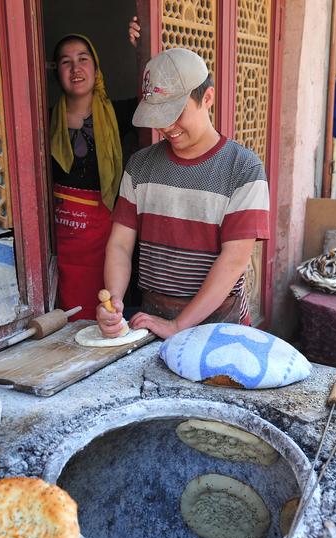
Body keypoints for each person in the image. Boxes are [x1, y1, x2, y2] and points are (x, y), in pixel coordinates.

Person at [96, 48, 270, 339]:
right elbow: (120, 246)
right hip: (151, 318)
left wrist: (179, 325)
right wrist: (113, 302)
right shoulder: (140, 166)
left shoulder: (243, 168)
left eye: (175, 113)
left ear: (208, 98)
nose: (166, 127)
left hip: (219, 325)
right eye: (159, 115)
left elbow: (234, 261)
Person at [49, 33, 139, 318]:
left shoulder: (118, 114)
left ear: (96, 69)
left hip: (105, 236)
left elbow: (155, 97)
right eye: (66, 62)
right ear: (57, 73)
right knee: (66, 307)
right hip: (62, 237)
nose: (75, 69)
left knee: (104, 305)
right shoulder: (43, 118)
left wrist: (142, 46)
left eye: (83, 60)